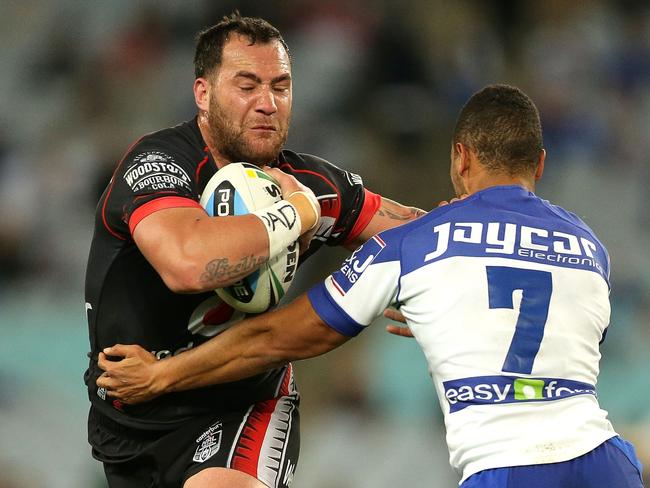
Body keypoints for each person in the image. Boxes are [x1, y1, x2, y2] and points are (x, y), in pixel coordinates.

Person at [98, 84, 645, 487]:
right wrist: (457, 309)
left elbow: (279, 338)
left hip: (506, 469)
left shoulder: (417, 245)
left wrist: (163, 374)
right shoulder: (590, 246)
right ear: (541, 164)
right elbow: (561, 342)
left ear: (461, 157)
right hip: (609, 463)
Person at [84, 12, 426, 488]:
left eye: (281, 87)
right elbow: (189, 265)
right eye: (247, 86)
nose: (267, 103)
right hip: (129, 416)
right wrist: (299, 214)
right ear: (202, 94)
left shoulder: (313, 183)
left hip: (243, 403)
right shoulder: (161, 165)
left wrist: (440, 283)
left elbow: (423, 232)